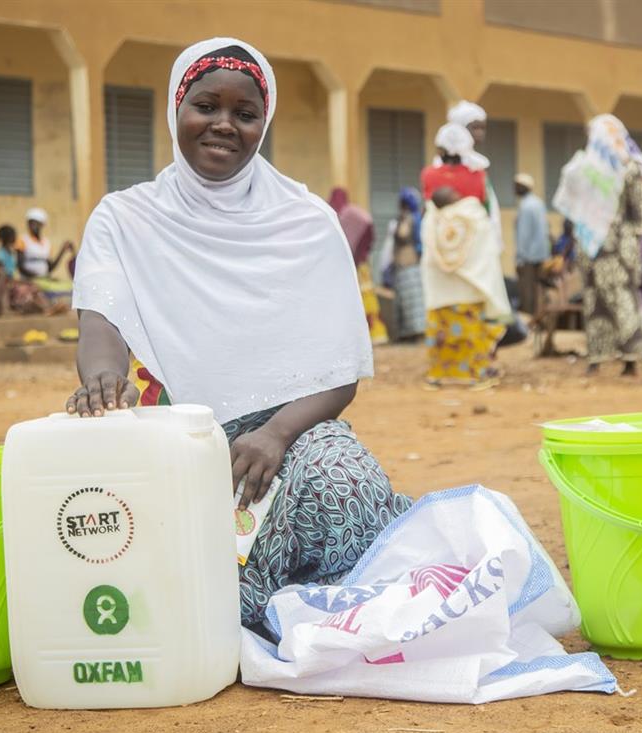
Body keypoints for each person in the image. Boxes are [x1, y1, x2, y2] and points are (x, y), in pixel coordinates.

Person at [67, 38, 409, 629]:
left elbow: (339, 370)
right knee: (126, 553)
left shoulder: (306, 222)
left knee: (347, 483)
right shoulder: (124, 219)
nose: (224, 125)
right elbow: (102, 318)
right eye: (205, 106)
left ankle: (308, 613)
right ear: (176, 108)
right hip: (175, 440)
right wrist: (104, 379)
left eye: (245, 114)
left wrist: (275, 435)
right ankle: (264, 610)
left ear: (262, 125)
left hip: (286, 440)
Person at [563, 115, 642, 377]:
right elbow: (639, 214)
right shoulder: (594, 168)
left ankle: (619, 358)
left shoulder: (610, 169)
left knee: (608, 299)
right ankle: (611, 357)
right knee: (606, 299)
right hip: (610, 247)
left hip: (600, 247)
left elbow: (638, 212)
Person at [419, 122, 511, 389]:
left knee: (440, 315)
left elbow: (427, 210)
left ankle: (437, 373)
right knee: (471, 314)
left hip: (438, 258)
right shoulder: (478, 176)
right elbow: (485, 210)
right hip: (472, 259)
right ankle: (476, 372)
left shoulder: (428, 175)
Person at [328, 187, 388, 345]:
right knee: (367, 297)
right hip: (363, 263)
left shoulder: (340, 215)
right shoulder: (355, 212)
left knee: (354, 298)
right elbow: (368, 226)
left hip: (349, 265)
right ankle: (375, 334)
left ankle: (358, 335)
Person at [445, 100, 502, 253]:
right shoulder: (447, 164)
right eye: (475, 128)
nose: (480, 133)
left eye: (483, 128)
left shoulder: (480, 164)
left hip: (480, 237)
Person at [388, 186, 426, 341]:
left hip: (409, 265)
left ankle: (415, 332)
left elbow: (403, 234)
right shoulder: (409, 218)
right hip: (404, 266)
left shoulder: (410, 219)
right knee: (405, 301)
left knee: (412, 302)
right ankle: (406, 333)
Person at [17, 207, 76, 306]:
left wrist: (62, 251)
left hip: (44, 279)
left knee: (69, 286)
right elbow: (20, 266)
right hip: (30, 280)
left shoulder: (46, 243)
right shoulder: (23, 240)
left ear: (42, 225)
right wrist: (36, 276)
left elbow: (50, 267)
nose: (32, 226)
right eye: (30, 223)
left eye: (35, 223)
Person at [513, 172, 550, 317]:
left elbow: (524, 235)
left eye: (516, 186)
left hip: (527, 257)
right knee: (537, 292)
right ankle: (537, 319)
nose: (514, 189)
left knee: (526, 293)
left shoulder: (526, 206)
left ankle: (528, 322)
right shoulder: (539, 203)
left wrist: (519, 259)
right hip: (541, 255)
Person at [0, 224, 50, 316]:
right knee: (25, 291)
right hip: (5, 284)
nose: (15, 238)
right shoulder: (0, 254)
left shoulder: (11, 254)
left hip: (11, 282)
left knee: (34, 287)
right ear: (7, 238)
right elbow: (1, 274)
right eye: (13, 236)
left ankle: (46, 308)